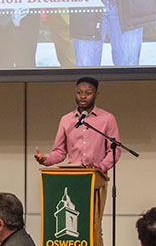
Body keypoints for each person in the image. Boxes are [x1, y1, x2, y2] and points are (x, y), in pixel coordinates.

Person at [33, 77, 120, 246]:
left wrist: (100, 167)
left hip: (95, 180)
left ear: (96, 94)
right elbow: (60, 152)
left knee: (94, 226)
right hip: (72, 179)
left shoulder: (107, 119)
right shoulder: (66, 120)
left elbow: (114, 150)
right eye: (79, 92)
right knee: (74, 227)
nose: (83, 97)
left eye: (88, 93)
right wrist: (46, 159)